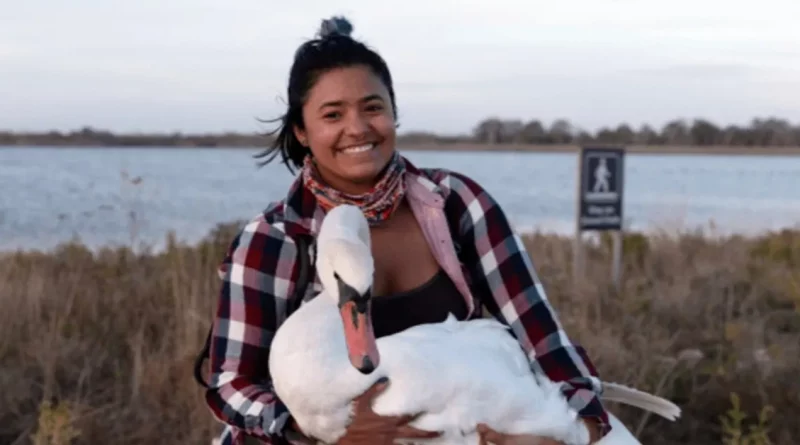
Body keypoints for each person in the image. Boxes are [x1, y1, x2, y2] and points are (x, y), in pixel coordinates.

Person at [204, 16, 611, 445]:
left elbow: (543, 338)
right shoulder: (274, 238)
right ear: (302, 131)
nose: (358, 128)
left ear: (394, 113)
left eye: (373, 108)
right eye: (333, 114)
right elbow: (232, 384)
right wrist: (321, 432)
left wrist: (578, 430)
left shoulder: (457, 204)